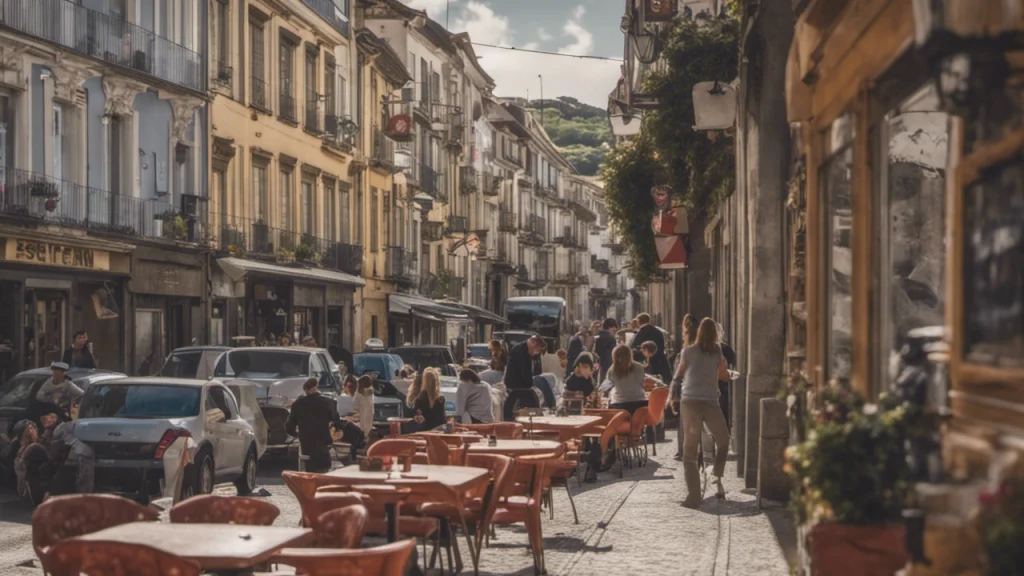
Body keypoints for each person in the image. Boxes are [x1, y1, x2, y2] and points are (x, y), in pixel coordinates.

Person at [671, 318, 731, 508]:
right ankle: (716, 474)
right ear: (715, 334)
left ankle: (694, 497)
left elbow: (678, 375)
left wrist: (673, 396)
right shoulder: (717, 353)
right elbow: (724, 377)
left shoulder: (687, 352)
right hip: (709, 403)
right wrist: (726, 370)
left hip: (689, 403)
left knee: (689, 452)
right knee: (723, 440)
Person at [286, 378, 349, 473]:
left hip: (306, 442)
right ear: (315, 388)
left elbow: (289, 426)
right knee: (324, 467)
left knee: (309, 467)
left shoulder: (297, 404)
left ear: (307, 390)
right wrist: (337, 430)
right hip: (324, 442)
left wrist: (297, 435)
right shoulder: (329, 403)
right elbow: (337, 422)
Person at [47, 397, 94, 495]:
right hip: (69, 464)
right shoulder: (64, 427)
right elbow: (54, 446)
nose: (74, 409)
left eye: (77, 406)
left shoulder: (91, 425)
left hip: (86, 466)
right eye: (73, 406)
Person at [670, 314, 699, 459]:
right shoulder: (705, 347)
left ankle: (684, 450)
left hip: (687, 389)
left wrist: (673, 395)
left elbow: (678, 375)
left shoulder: (686, 349)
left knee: (683, 421)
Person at [502, 336, 547, 420]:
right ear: (533, 344)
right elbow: (524, 372)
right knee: (532, 396)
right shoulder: (519, 351)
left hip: (522, 385)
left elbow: (535, 370)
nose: (537, 353)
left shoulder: (527, 351)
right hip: (515, 385)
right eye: (538, 350)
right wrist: (530, 384)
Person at [599, 344, 649, 415]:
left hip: (620, 406)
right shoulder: (639, 367)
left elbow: (605, 387)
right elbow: (641, 385)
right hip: (640, 404)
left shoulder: (612, 370)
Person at [593, 318, 618, 383]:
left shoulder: (600, 336)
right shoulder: (610, 337)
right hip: (609, 363)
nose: (615, 329)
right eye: (612, 327)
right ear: (608, 327)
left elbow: (597, 351)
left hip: (602, 363)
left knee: (602, 381)